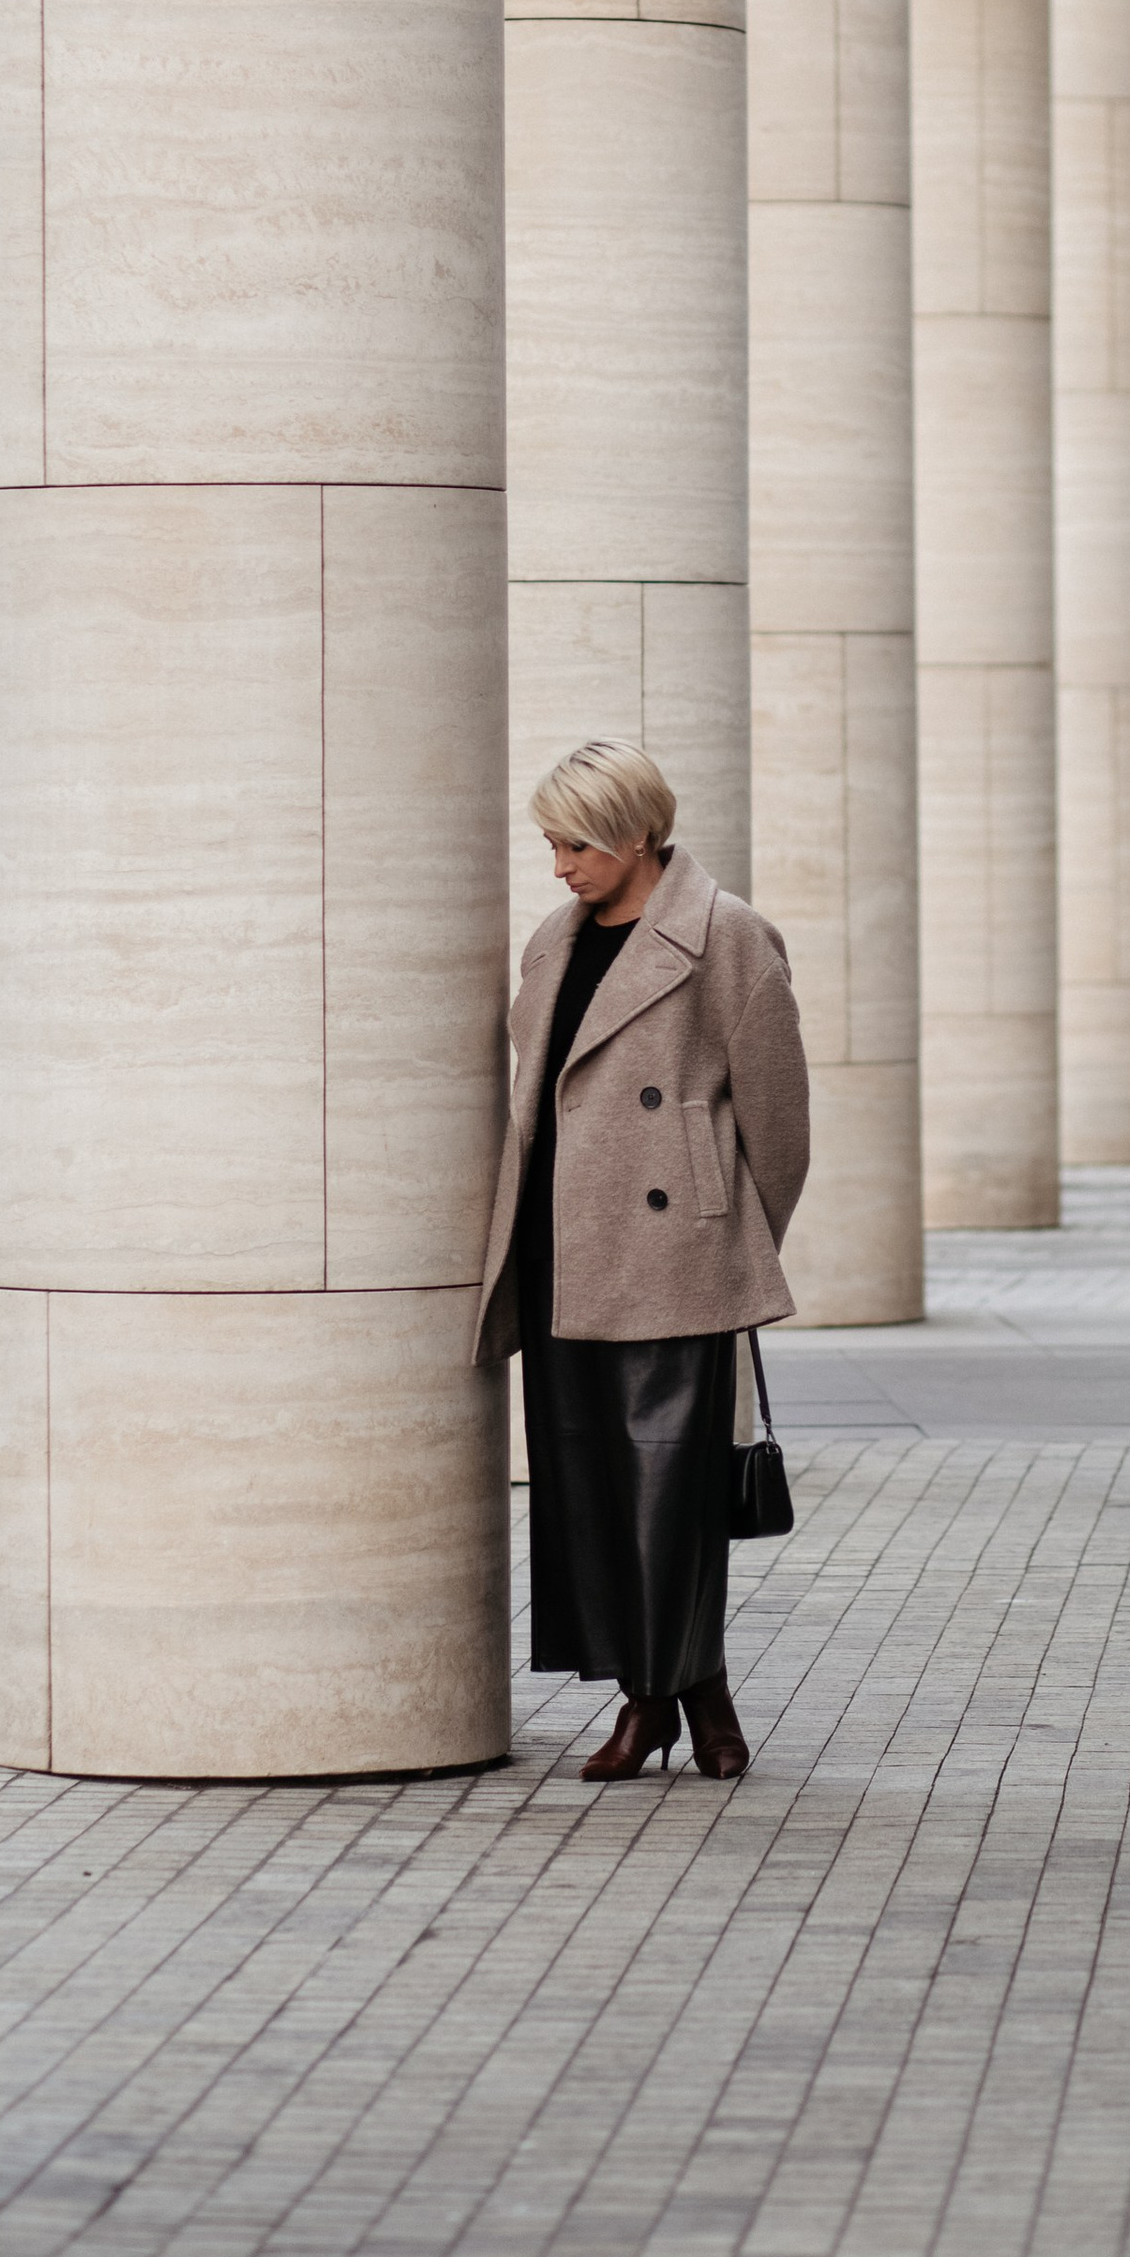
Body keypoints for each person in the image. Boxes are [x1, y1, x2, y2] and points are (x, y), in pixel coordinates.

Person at [474, 739, 812, 1781]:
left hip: (672, 1255)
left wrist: (724, 1240)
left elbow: (780, 1122)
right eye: (550, 843)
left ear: (633, 832)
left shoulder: (728, 935)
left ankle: (649, 1704)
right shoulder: (554, 939)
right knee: (589, 1488)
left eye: (575, 844)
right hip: (562, 1248)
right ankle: (687, 1696)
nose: (559, 865)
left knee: (668, 1495)